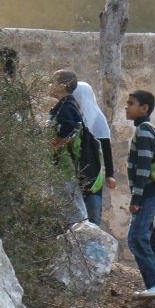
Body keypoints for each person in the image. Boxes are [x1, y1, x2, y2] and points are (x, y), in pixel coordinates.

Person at [125, 90, 155, 298]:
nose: (127, 107)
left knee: (136, 237)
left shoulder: (143, 131)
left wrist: (136, 198)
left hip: (149, 194)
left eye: (131, 103)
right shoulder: (150, 129)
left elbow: (143, 168)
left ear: (144, 108)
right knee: (149, 239)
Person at [70, 79, 116, 225]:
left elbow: (106, 148)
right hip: (73, 173)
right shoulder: (71, 118)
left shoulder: (97, 121)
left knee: (93, 216)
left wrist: (110, 174)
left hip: (93, 174)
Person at [46, 70, 87, 225]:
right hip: (61, 166)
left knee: (74, 211)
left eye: (52, 81)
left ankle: (88, 243)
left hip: (64, 166)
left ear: (62, 86)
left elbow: (68, 132)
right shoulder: (63, 106)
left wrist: (49, 147)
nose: (49, 85)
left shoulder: (67, 107)